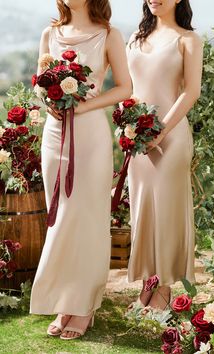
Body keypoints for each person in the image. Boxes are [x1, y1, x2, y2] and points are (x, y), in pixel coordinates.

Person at [30, 0, 131, 340]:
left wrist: (86, 104)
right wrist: (49, 103)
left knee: (87, 217)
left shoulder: (109, 35)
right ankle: (64, 301)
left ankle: (84, 303)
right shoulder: (50, 33)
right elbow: (38, 86)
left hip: (90, 136)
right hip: (54, 136)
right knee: (61, 218)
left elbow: (124, 87)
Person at [126, 0, 203, 311]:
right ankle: (149, 280)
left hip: (170, 139)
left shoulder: (188, 40)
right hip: (138, 141)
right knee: (142, 211)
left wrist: (160, 131)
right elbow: (129, 88)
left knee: (168, 213)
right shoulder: (134, 38)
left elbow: (191, 91)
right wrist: (127, 125)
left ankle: (165, 289)